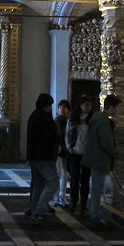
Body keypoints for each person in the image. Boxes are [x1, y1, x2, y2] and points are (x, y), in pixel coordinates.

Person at [82, 94, 121, 226]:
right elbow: (106, 143)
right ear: (110, 107)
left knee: (96, 187)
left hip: (94, 157)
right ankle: (95, 216)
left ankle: (95, 213)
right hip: (99, 158)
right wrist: (116, 154)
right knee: (97, 188)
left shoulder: (96, 119)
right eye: (116, 108)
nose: (117, 111)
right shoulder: (104, 122)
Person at [26, 93, 60, 223]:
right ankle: (39, 208)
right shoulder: (41, 118)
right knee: (53, 182)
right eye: (49, 105)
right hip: (43, 156)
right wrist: (59, 140)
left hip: (36, 156)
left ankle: (35, 209)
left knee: (38, 184)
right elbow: (47, 136)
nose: (50, 108)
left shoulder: (35, 116)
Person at [66, 96, 93, 216]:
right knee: (75, 179)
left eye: (90, 105)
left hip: (87, 153)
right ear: (81, 105)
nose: (88, 107)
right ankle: (73, 202)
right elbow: (67, 133)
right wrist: (68, 146)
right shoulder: (73, 118)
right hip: (75, 152)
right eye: (86, 105)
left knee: (85, 180)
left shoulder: (92, 119)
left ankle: (83, 204)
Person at [51, 99, 70, 208]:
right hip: (58, 149)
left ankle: (62, 196)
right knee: (57, 173)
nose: (62, 109)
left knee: (64, 174)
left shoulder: (70, 121)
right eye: (60, 107)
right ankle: (55, 196)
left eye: (64, 107)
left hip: (66, 149)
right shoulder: (56, 121)